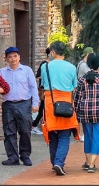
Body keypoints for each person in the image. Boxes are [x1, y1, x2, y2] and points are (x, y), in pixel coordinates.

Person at [41, 41, 79, 176]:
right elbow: (74, 86)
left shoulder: (46, 67)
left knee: (53, 134)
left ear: (53, 52)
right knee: (64, 135)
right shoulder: (72, 67)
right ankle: (59, 162)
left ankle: (54, 162)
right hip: (67, 102)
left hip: (51, 103)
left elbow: (44, 85)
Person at [0, 46, 40, 166]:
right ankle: (12, 157)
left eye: (15, 56)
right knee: (9, 132)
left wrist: (35, 103)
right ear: (6, 59)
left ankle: (25, 155)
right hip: (8, 105)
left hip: (24, 104)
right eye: (10, 57)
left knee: (25, 131)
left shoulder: (27, 70)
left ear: (19, 57)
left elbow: (33, 87)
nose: (13, 59)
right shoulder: (2, 72)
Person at [72, 53, 99, 173]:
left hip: (85, 112)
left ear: (88, 64)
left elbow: (77, 98)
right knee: (98, 137)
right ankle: (92, 164)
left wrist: (77, 112)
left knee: (88, 137)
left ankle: (88, 161)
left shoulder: (82, 79)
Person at [75, 46, 95, 142]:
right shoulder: (83, 65)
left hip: (82, 90)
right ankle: (80, 134)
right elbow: (91, 74)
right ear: (88, 54)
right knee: (81, 113)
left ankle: (80, 133)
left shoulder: (82, 64)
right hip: (83, 91)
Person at [31, 47, 51, 134]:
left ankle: (37, 125)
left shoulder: (52, 64)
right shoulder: (44, 64)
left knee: (45, 108)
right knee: (42, 108)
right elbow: (38, 76)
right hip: (43, 89)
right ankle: (34, 125)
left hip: (50, 89)